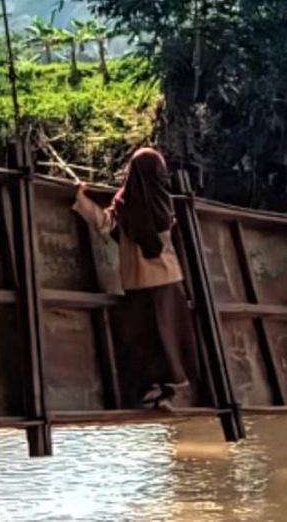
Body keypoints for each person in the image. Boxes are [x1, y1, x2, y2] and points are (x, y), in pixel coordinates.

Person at [72, 148, 200, 410]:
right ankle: (167, 394)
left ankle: (149, 394)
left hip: (137, 283)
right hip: (168, 281)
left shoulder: (125, 203)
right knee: (169, 340)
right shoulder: (163, 201)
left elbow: (106, 225)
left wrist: (82, 199)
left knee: (143, 341)